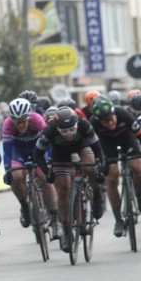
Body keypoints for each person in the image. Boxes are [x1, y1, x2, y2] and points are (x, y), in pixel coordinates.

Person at [34, 106, 106, 252]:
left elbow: (98, 150)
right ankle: (67, 232)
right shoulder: (49, 129)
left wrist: (100, 170)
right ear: (57, 128)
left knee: (90, 168)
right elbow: (38, 155)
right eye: (64, 131)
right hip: (60, 153)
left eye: (72, 130)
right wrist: (47, 172)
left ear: (76, 124)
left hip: (82, 146)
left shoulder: (84, 124)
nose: (69, 135)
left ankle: (97, 195)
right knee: (63, 189)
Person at [2, 98, 61, 237]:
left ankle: (55, 218)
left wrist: (50, 161)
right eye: (17, 121)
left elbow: (49, 142)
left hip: (38, 150)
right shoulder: (7, 125)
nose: (20, 124)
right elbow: (7, 151)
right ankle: (24, 206)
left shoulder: (37, 120)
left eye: (23, 120)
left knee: (44, 178)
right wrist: (7, 169)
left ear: (29, 117)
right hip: (19, 152)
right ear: (12, 119)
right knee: (16, 177)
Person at [89, 95, 141, 237]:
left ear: (114, 112)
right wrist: (100, 163)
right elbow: (92, 146)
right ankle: (118, 220)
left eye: (110, 118)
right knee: (111, 177)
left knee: (137, 168)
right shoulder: (93, 123)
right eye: (104, 121)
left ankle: (138, 192)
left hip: (127, 138)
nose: (109, 123)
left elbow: (138, 134)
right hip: (106, 143)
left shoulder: (123, 114)